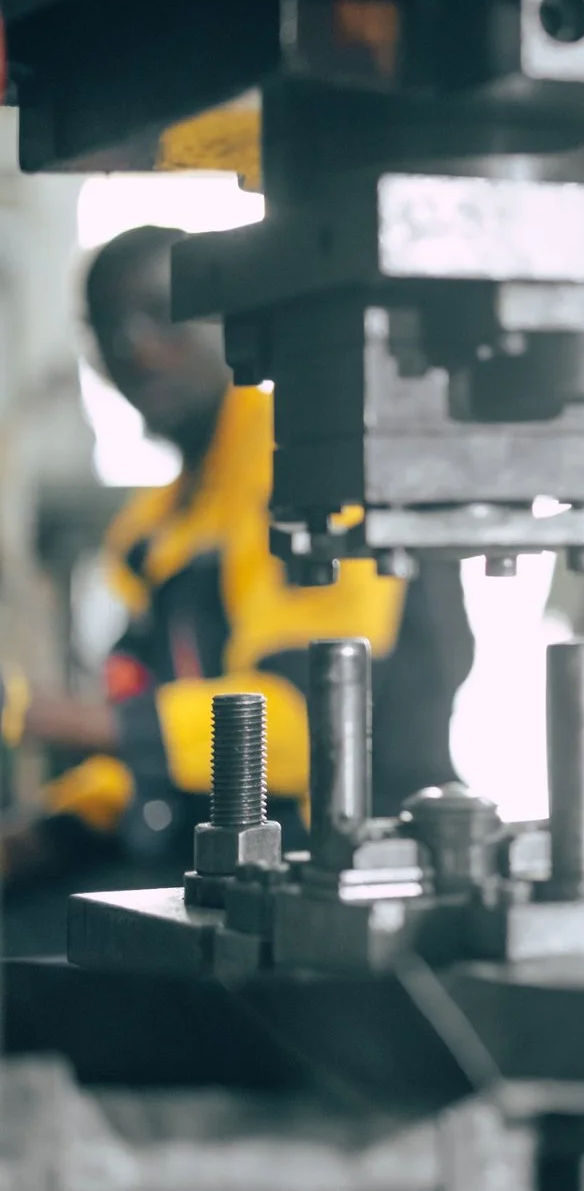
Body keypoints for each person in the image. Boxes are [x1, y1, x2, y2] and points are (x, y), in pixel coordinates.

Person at [0, 225, 473, 917]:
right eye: (109, 330)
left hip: (359, 863)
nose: (135, 349)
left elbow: (300, 729)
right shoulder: (152, 532)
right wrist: (45, 832)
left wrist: (34, 712)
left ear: (232, 321)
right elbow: (144, 739)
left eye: (160, 316)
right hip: (216, 854)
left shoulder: (308, 467)